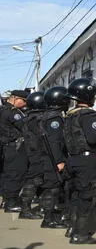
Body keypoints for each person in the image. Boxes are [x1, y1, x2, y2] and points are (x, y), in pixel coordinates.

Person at [64, 78, 96, 244]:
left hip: (72, 159)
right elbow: (93, 138)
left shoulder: (70, 115)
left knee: (75, 195)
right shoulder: (89, 114)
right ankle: (81, 234)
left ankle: (72, 228)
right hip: (86, 161)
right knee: (87, 197)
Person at [39, 86, 70, 229]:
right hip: (51, 158)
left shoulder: (49, 114)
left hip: (47, 156)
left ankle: (50, 214)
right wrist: (59, 161)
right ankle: (48, 219)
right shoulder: (54, 118)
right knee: (52, 188)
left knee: (52, 187)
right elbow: (55, 142)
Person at [18, 92, 47, 220]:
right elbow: (43, 136)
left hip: (32, 151)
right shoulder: (37, 119)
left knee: (35, 179)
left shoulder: (29, 117)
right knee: (34, 180)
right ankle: (25, 210)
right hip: (37, 152)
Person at [0, 90, 28, 212]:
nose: (25, 104)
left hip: (8, 146)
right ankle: (11, 203)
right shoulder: (12, 112)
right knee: (15, 174)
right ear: (15, 98)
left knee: (7, 174)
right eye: (24, 101)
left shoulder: (4, 110)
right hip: (14, 147)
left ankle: (7, 200)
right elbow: (24, 127)